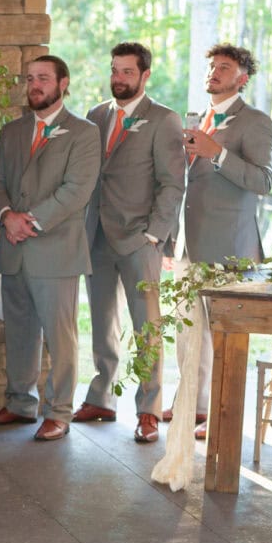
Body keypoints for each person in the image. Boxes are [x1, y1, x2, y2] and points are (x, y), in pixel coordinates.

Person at [0, 54, 100, 442]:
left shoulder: (84, 133)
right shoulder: (13, 131)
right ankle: (19, 403)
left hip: (56, 250)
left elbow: (76, 191)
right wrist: (5, 216)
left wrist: (27, 221)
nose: (35, 85)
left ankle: (59, 411)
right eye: (30, 78)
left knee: (59, 336)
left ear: (63, 83)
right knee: (19, 332)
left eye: (44, 78)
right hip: (14, 249)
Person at [72, 42, 184, 443]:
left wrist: (154, 234)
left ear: (144, 75)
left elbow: (173, 183)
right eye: (115, 71)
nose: (119, 79)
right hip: (96, 233)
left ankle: (148, 409)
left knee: (146, 328)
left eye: (128, 72)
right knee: (102, 322)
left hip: (140, 239)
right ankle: (101, 396)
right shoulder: (95, 115)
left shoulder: (164, 120)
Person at [169, 43, 272, 439]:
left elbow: (264, 181)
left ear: (242, 78)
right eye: (211, 65)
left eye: (224, 67)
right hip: (189, 243)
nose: (214, 71)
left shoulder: (255, 122)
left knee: (223, 342)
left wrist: (217, 154)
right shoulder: (199, 119)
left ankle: (222, 416)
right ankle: (192, 406)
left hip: (231, 248)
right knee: (187, 333)